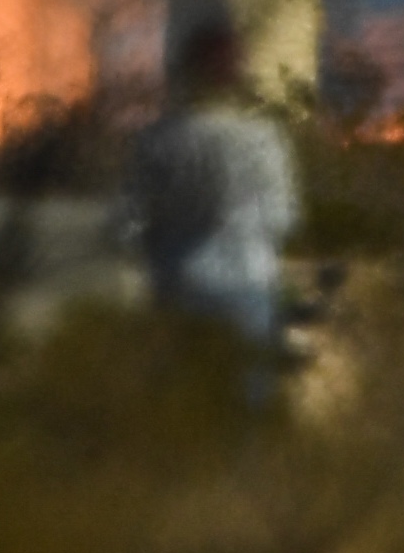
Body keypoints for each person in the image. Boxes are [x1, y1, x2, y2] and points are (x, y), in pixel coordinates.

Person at [128, 20, 300, 358]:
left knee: (184, 399)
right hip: (248, 284)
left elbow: (127, 222)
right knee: (248, 397)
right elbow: (283, 217)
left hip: (178, 282)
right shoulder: (264, 140)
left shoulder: (158, 140)